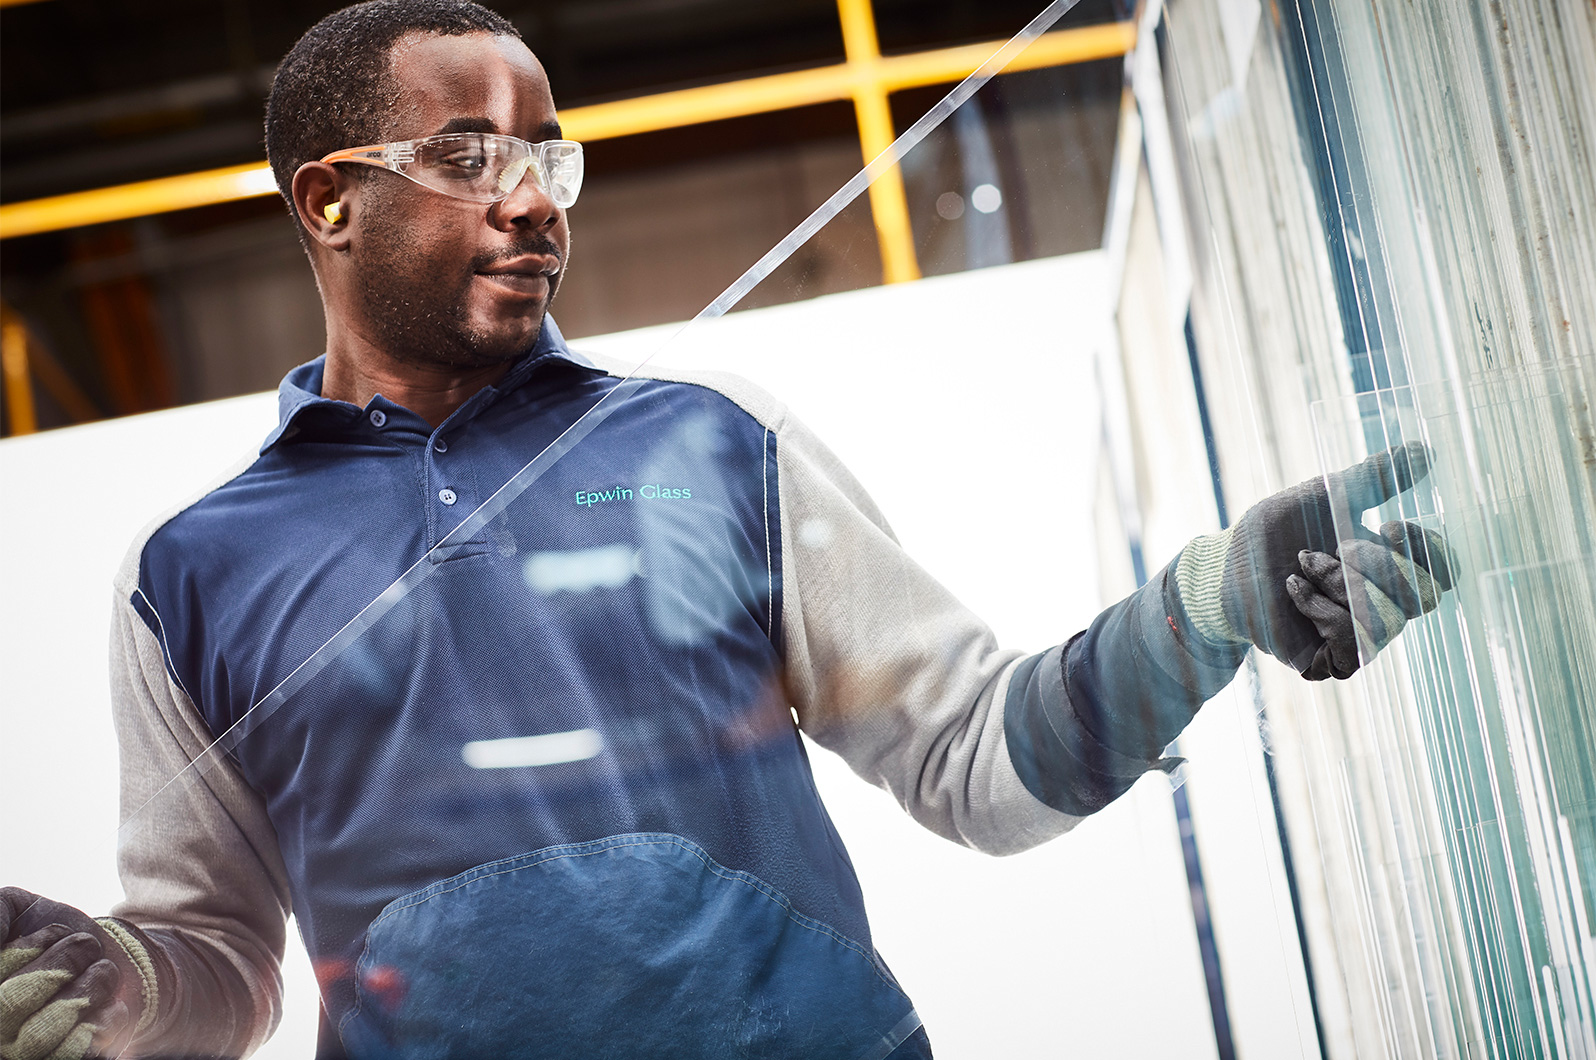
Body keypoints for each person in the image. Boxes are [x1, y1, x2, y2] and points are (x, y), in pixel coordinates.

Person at [0, 2, 1455, 1057]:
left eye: (550, 161)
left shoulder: (710, 444)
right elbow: (221, 970)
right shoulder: (190, 577)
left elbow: (972, 764)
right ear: (330, 198)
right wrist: (119, 984)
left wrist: (1201, 611)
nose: (533, 205)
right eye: (467, 158)